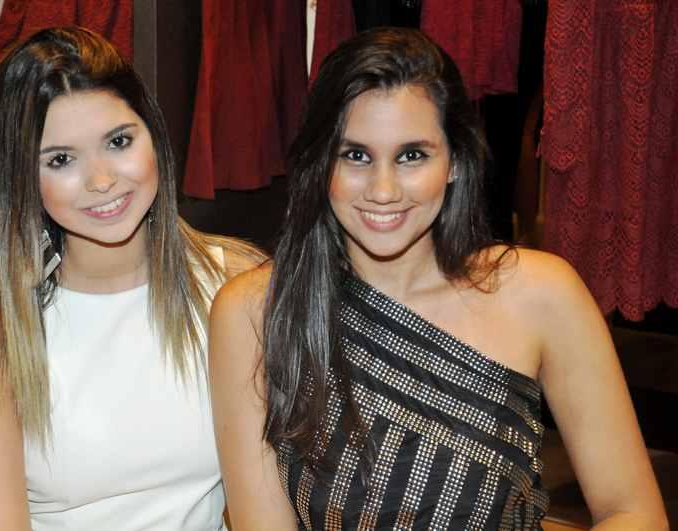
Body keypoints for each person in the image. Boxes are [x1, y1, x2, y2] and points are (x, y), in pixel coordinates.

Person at [209, 28, 668, 530]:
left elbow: (633, 513)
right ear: (321, 165)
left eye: (412, 155)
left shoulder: (542, 294)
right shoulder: (256, 311)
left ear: (454, 161)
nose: (384, 190)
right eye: (356, 155)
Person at [0, 27, 261, 530]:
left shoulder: (236, 287)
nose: (103, 180)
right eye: (61, 160)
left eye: (118, 141)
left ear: (153, 136)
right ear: (22, 178)